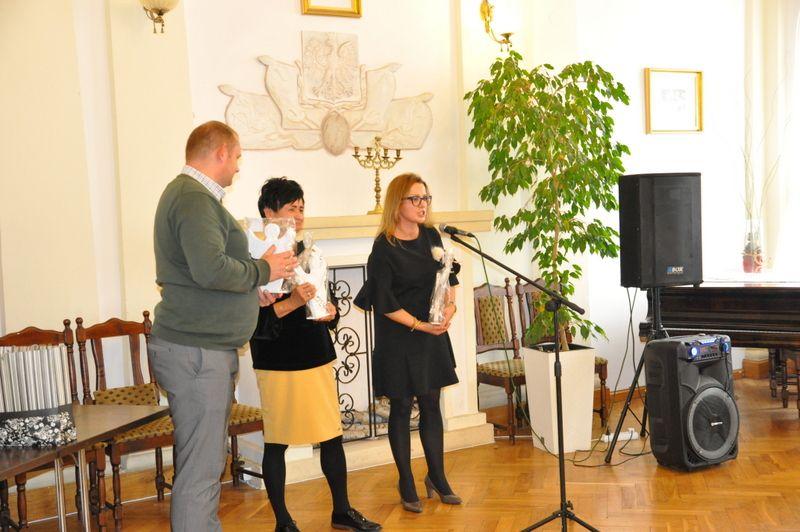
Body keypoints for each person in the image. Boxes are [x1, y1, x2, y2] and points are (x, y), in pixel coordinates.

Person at [148, 121, 297, 532]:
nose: (237, 166)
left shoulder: (193, 196)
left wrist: (251, 291)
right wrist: (264, 269)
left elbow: (202, 274)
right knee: (202, 468)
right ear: (220, 153)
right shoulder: (193, 199)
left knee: (204, 462)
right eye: (236, 157)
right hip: (197, 352)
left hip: (200, 349)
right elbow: (210, 269)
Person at [250, 178, 382, 532]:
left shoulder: (309, 251)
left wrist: (331, 311)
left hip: (315, 353)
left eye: (301, 208)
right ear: (269, 213)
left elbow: (323, 300)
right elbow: (255, 322)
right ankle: (283, 521)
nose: (298, 215)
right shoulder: (255, 257)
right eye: (291, 208)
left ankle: (342, 511)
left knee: (331, 436)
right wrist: (294, 301)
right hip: (277, 360)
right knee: (276, 442)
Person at [354, 172, 462, 512]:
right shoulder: (384, 246)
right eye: (414, 198)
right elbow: (383, 302)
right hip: (400, 336)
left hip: (431, 334)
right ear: (397, 203)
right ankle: (406, 481)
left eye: (425, 198)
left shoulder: (431, 235)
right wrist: (419, 325)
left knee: (431, 403)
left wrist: (450, 308)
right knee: (401, 407)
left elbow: (449, 278)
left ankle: (437, 476)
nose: (422, 204)